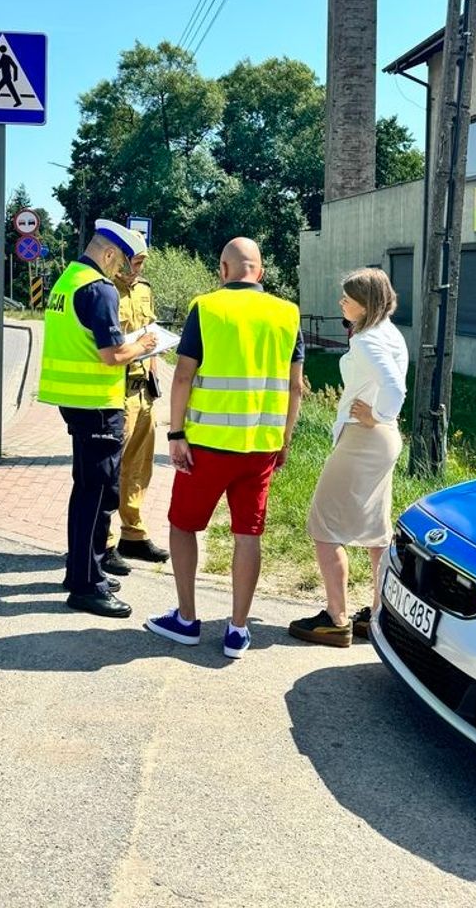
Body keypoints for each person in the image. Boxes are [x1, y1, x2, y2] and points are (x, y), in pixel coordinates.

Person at [145, 238, 304, 658]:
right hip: (260, 448)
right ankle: (237, 630)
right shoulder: (288, 313)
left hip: (208, 447)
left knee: (183, 525)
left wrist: (176, 434)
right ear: (262, 272)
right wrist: (284, 440)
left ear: (223, 269)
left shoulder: (207, 307)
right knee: (247, 534)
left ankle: (186, 619)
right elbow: (296, 387)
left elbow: (183, 376)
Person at [38, 219, 157, 618]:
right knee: (97, 496)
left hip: (74, 402)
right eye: (121, 261)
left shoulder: (66, 280)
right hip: (97, 404)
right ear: (108, 253)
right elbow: (112, 354)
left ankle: (81, 572)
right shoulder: (98, 288)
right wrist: (142, 344)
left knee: (87, 490)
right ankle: (88, 585)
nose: (122, 270)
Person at [289, 267, 409, 648]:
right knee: (376, 532)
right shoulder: (390, 333)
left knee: (324, 525)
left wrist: (379, 415)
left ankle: (335, 619)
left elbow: (395, 386)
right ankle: (376, 614)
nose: (341, 302)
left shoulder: (368, 340)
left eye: (347, 297)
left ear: (365, 303)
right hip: (382, 440)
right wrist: (384, 419)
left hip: (364, 439)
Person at [103, 240, 170, 575]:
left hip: (144, 390)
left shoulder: (144, 289)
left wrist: (155, 379)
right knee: (110, 471)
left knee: (139, 468)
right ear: (119, 258)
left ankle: (133, 534)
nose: (138, 269)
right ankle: (104, 542)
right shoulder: (104, 290)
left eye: (143, 263)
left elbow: (150, 336)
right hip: (117, 392)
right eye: (135, 262)